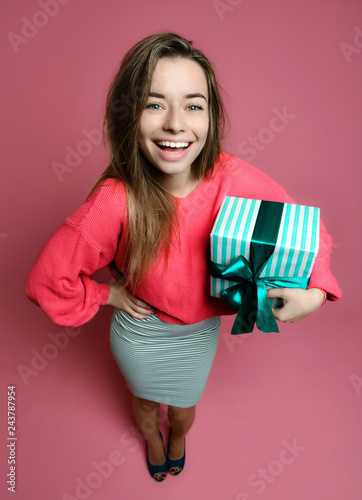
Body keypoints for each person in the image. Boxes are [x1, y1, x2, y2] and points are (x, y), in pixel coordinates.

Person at [25, 32, 342, 482]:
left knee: (185, 407)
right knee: (143, 402)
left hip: (198, 336)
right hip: (140, 333)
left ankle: (176, 436)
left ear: (211, 116)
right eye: (155, 104)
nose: (176, 123)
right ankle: (153, 438)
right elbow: (46, 279)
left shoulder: (232, 176)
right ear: (128, 115)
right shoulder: (116, 200)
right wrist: (105, 296)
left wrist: (313, 291)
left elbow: (304, 231)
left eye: (193, 105)